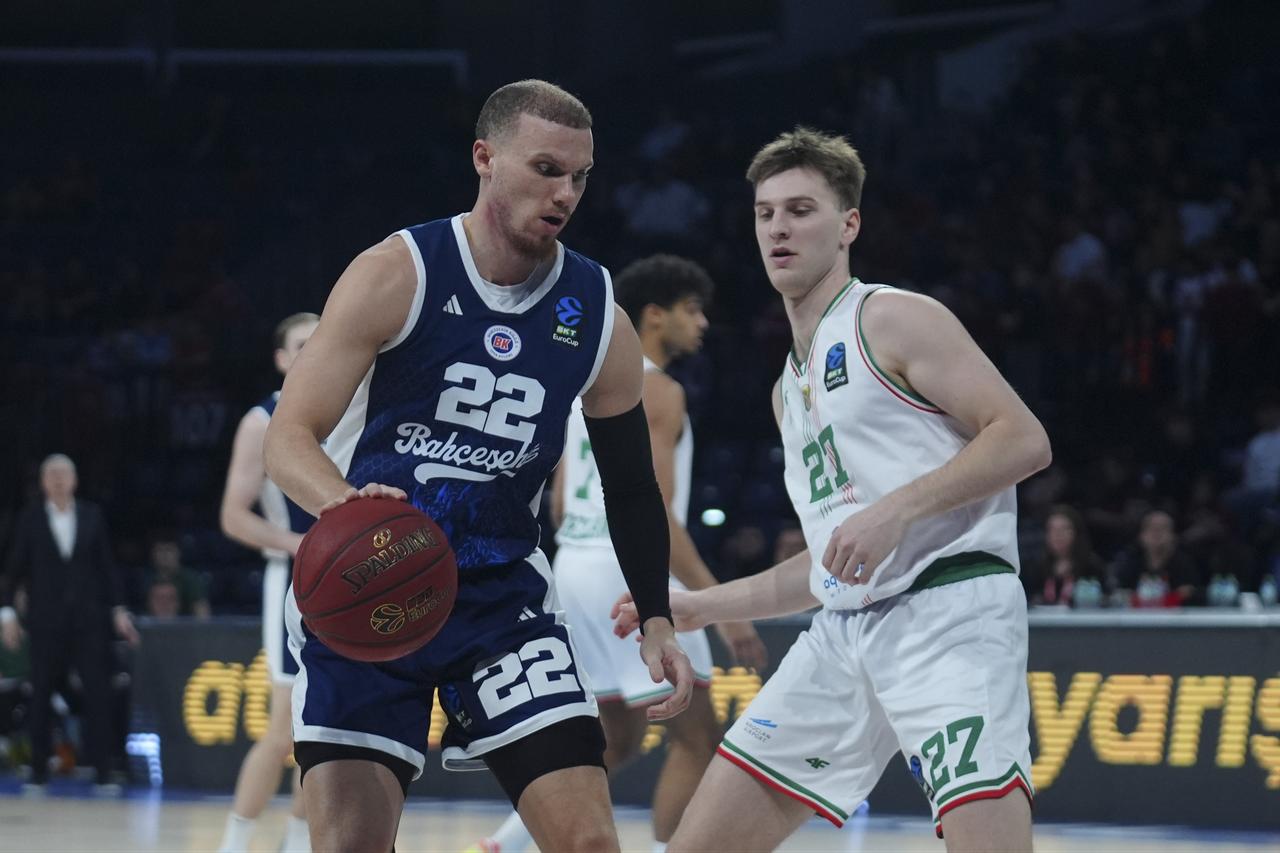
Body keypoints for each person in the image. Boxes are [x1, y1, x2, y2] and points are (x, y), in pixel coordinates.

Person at [261, 80, 693, 853]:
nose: (566, 193)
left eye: (581, 176)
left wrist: (656, 615)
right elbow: (289, 435)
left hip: (499, 602)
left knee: (591, 843)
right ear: (484, 158)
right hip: (371, 590)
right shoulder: (398, 271)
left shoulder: (596, 313)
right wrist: (346, 504)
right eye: (547, 168)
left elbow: (632, 485)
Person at [615, 127, 1052, 851]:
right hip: (844, 635)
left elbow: (1023, 437)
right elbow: (830, 561)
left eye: (800, 209)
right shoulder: (788, 389)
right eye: (765, 213)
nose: (779, 228)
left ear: (848, 224)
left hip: (949, 613)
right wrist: (700, 604)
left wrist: (896, 509)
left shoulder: (893, 316)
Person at [471, 255, 769, 853]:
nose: (703, 323)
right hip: (623, 571)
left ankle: (502, 845)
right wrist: (722, 605)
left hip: (572, 566)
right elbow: (653, 511)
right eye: (691, 310)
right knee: (699, 742)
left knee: (619, 736)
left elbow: (556, 504)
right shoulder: (657, 390)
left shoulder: (582, 386)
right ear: (654, 317)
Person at [216, 312, 319, 853]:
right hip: (293, 583)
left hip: (350, 582)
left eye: (319, 341)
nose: (312, 350)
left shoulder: (356, 407)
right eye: (301, 344)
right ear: (281, 359)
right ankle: (233, 844)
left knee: (325, 731)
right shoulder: (262, 419)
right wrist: (301, 545)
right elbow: (234, 517)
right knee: (283, 729)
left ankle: (298, 844)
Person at [1, 454, 139, 791]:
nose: (59, 479)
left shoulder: (91, 516)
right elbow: (14, 570)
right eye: (52, 474)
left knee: (98, 693)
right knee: (41, 693)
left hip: (88, 621)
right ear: (43, 482)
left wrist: (119, 609)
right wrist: (7, 615)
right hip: (45, 623)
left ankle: (103, 770)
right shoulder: (30, 519)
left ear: (74, 480)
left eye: (64, 473)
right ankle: (37, 770)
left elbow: (107, 568)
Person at [1022, 505, 1105, 606]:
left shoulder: (1091, 566)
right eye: (1052, 529)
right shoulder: (1035, 567)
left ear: (1076, 533)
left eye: (1064, 529)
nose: (1058, 535)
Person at [144, 537, 211, 620]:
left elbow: (202, 612)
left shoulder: (190, 579)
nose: (164, 555)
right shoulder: (147, 578)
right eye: (160, 550)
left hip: (184, 629)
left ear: (178, 553)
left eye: (169, 550)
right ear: (153, 554)